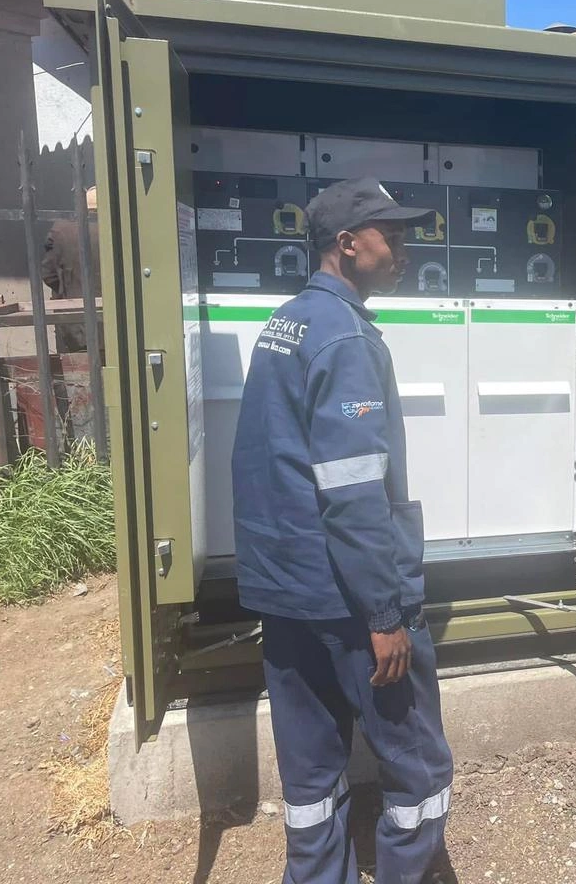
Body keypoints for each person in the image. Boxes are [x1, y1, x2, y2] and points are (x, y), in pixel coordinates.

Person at [231, 177, 453, 884]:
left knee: (312, 776)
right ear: (348, 243)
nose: (407, 250)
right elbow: (353, 492)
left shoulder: (286, 322)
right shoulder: (346, 338)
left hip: (287, 592)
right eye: (395, 235)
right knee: (419, 772)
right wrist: (384, 613)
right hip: (348, 600)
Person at [41, 185, 102, 354]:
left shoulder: (61, 230)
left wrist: (67, 290)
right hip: (119, 324)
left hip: (75, 325)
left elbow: (48, 274)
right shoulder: (122, 228)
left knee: (79, 367)